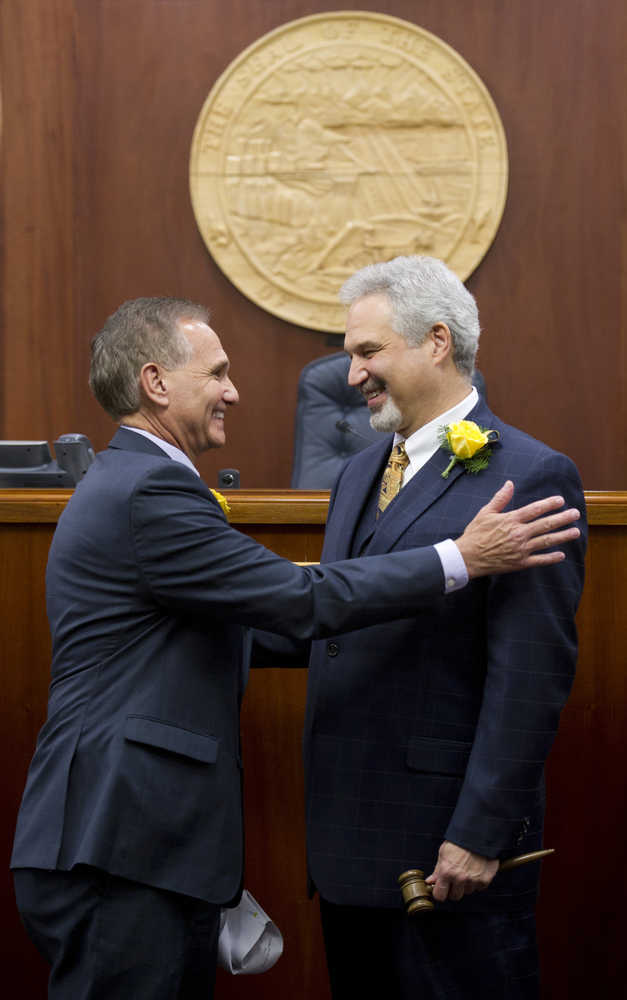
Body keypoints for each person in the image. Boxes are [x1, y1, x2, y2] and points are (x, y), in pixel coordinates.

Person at [10, 296, 580, 1000]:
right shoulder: (149, 488)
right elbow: (295, 602)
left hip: (135, 844)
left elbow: (261, 622)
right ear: (156, 383)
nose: (234, 391)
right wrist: (457, 559)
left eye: (366, 352)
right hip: (121, 844)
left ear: (437, 342)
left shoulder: (130, 479)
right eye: (217, 372)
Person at [299, 257, 587, 999]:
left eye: (367, 353)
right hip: (346, 844)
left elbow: (529, 673)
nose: (352, 374)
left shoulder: (527, 475)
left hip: (446, 853)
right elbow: (341, 614)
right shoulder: (357, 474)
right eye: (349, 356)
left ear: (435, 341)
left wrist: (478, 834)